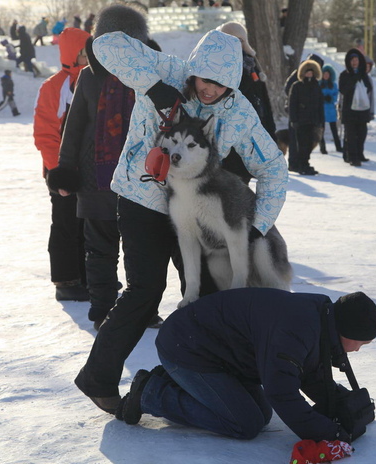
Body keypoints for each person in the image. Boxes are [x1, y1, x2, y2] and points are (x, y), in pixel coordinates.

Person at [74, 28, 288, 414]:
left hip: (194, 208)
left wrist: (258, 227)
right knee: (145, 290)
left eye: (221, 84)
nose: (210, 90)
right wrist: (154, 86)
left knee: (206, 294)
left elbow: (273, 167)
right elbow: (104, 45)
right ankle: (97, 378)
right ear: (194, 70)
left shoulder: (237, 111)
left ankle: (203, 382)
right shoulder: (168, 70)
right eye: (206, 79)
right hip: (142, 200)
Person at [114, 288, 376, 444]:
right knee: (245, 423)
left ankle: (181, 383)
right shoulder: (297, 329)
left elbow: (308, 372)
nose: (357, 350)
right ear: (345, 329)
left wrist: (343, 407)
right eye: (360, 342)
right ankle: (152, 394)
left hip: (223, 354)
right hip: (188, 349)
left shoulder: (319, 319)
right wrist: (329, 433)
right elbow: (282, 392)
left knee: (261, 414)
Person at [46, 6, 154, 330]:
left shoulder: (149, 75)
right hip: (96, 177)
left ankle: (142, 310)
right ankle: (104, 310)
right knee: (100, 252)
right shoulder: (91, 78)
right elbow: (75, 127)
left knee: (140, 252)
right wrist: (65, 170)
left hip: (139, 179)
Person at [33, 27, 91, 302]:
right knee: (66, 226)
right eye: (82, 52)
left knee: (89, 227)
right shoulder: (54, 87)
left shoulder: (96, 80)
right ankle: (67, 281)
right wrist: (59, 171)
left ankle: (89, 277)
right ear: (72, 54)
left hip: (90, 170)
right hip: (62, 172)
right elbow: (45, 133)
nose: (87, 57)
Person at [216, 21, 277, 183]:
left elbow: (264, 101)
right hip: (227, 137)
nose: (236, 44)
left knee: (243, 185)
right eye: (231, 39)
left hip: (252, 133)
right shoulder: (217, 66)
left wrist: (270, 132)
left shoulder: (252, 64)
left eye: (240, 40)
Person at [289, 59, 324, 175]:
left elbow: (320, 104)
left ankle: (306, 164)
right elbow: (292, 104)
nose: (309, 74)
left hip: (313, 120)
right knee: (302, 144)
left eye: (311, 72)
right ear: (303, 73)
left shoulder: (316, 86)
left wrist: (321, 121)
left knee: (309, 144)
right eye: (307, 72)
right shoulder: (297, 86)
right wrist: (294, 119)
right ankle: (301, 165)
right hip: (301, 120)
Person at [339, 49, 372, 167]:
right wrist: (353, 79)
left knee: (362, 133)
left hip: (362, 110)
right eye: (352, 60)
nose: (354, 62)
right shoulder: (344, 75)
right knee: (351, 135)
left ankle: (360, 153)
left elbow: (369, 88)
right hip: (349, 110)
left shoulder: (363, 74)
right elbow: (343, 90)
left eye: (356, 60)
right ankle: (352, 157)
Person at [319, 64, 343, 154]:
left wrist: (331, 98)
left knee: (334, 130)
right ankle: (322, 148)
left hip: (331, 109)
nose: (326, 76)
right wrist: (322, 98)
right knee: (321, 130)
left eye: (327, 74)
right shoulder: (319, 84)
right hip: (321, 109)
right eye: (324, 74)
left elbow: (336, 94)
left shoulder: (333, 85)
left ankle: (338, 146)